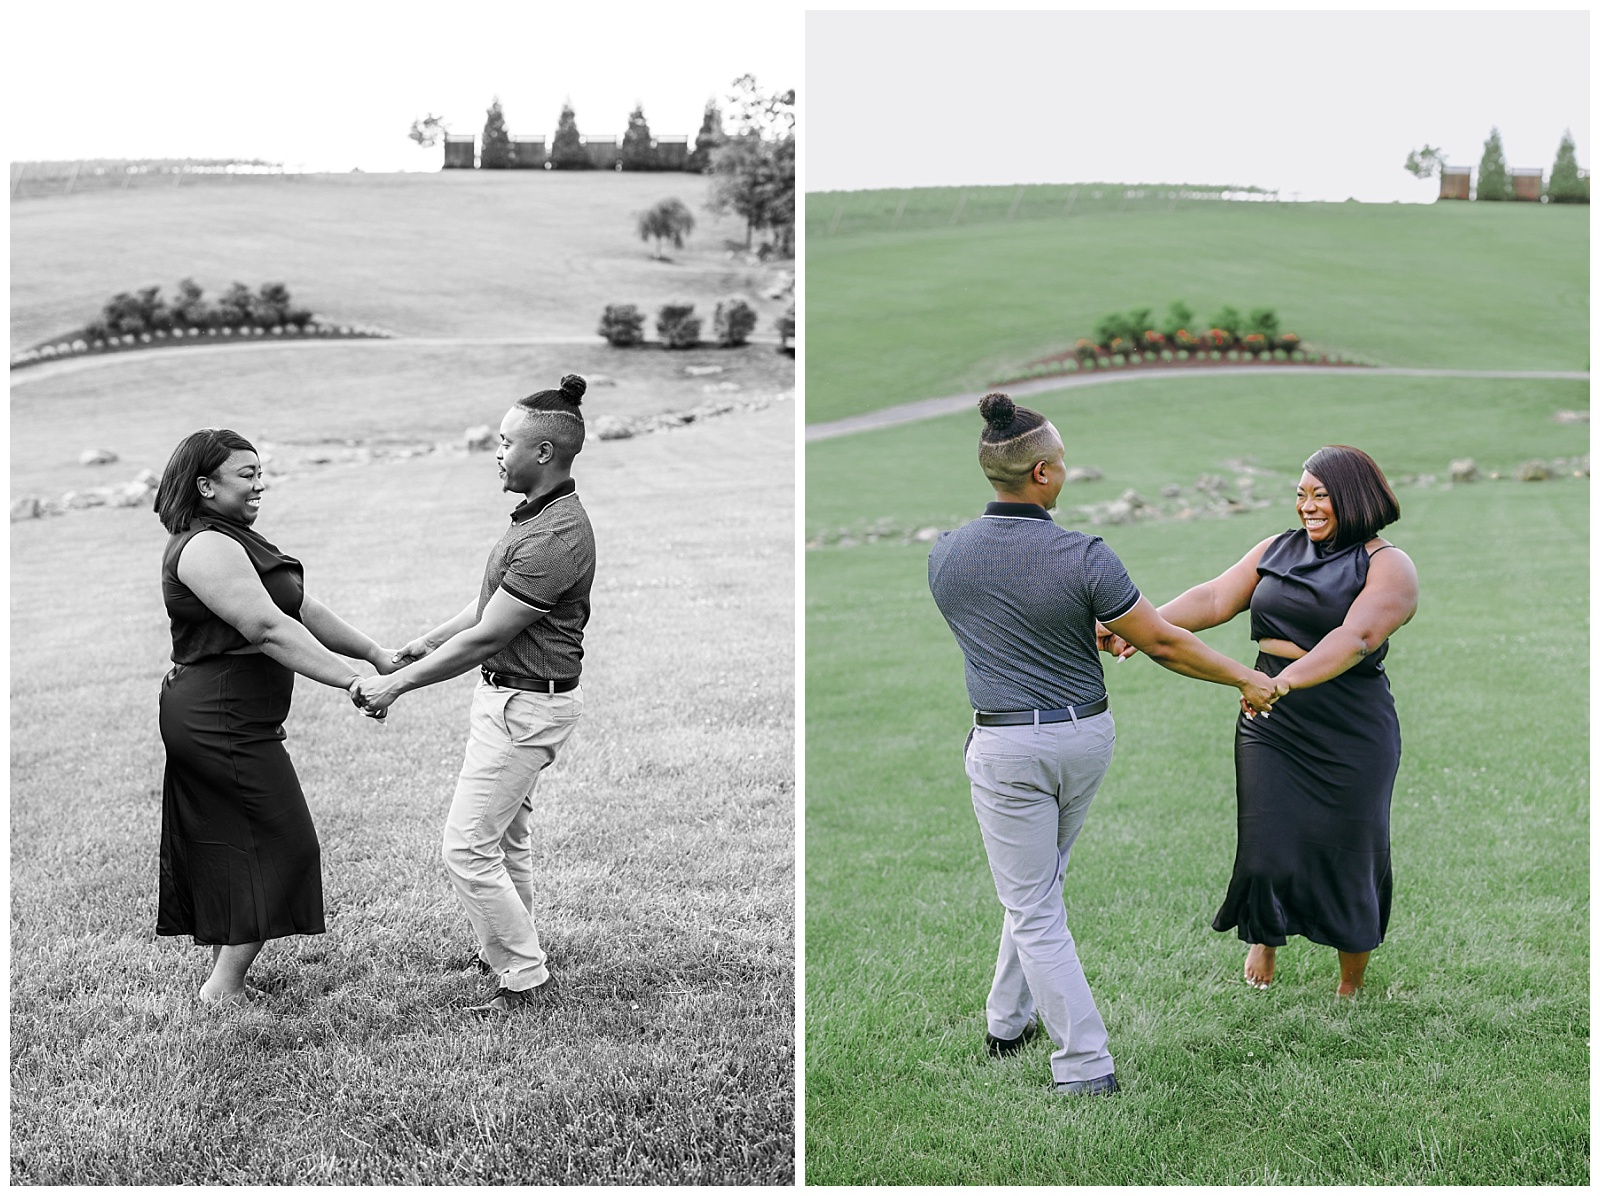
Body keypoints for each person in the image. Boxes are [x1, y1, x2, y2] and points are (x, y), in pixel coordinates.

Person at [927, 393, 1278, 1097]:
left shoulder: (946, 556)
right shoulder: (1084, 554)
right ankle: (1012, 1025)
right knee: (1038, 890)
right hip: (1084, 737)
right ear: (1045, 475)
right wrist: (1247, 678)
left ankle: (1083, 1065)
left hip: (1004, 745)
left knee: (1032, 900)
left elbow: (1013, 629)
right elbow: (1164, 642)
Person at [1106, 445, 1418, 997]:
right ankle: (1265, 937)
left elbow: (1358, 638)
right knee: (1267, 840)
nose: (1308, 506)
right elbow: (1216, 597)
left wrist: (1284, 682)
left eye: (1321, 495)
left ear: (1354, 496)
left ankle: (1351, 979)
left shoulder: (1388, 564)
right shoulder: (1276, 548)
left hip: (1348, 721)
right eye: (1301, 494)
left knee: (1351, 844)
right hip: (1270, 717)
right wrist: (1140, 625)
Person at [354, 374, 595, 1015]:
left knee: (466, 848)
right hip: (511, 702)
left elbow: (489, 635)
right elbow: (490, 604)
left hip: (525, 706)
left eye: (506, 440)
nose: (496, 450)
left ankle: (524, 976)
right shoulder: (535, 519)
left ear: (543, 453)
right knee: (505, 842)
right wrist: (421, 644)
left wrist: (395, 685)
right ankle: (506, 951)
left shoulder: (555, 536)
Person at [155, 428, 398, 1003]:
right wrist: (352, 682)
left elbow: (302, 607)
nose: (260, 484)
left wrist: (374, 654)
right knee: (287, 844)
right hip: (219, 718)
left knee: (234, 841)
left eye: (260, 472)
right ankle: (222, 991)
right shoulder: (206, 546)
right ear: (205, 486)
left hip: (237, 716)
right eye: (247, 475)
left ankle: (226, 980)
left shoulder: (239, 538)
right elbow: (267, 628)